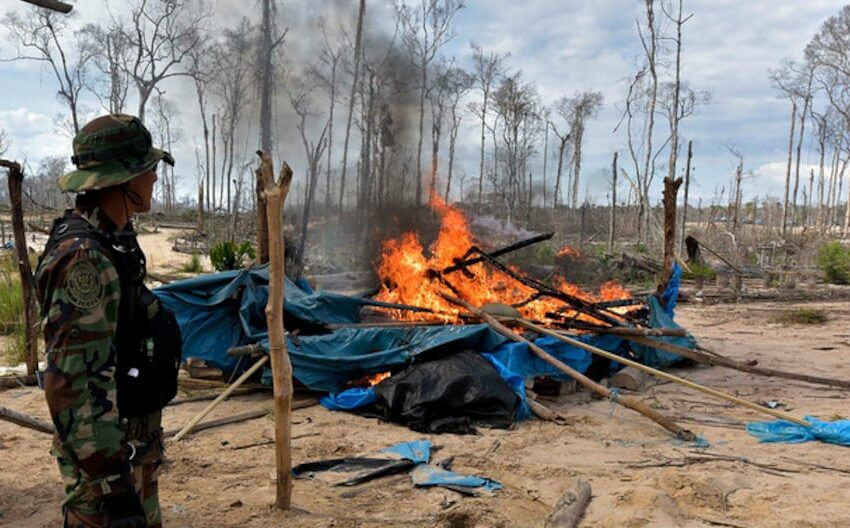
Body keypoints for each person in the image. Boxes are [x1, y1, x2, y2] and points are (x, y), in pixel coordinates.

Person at [36, 114, 182, 528]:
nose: (154, 176)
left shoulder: (113, 243)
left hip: (127, 449)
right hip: (107, 468)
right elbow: (75, 381)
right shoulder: (85, 260)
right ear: (122, 180)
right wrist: (115, 489)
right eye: (146, 168)